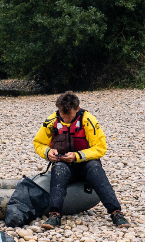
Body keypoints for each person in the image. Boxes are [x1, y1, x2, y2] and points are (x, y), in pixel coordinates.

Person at [32, 91, 129, 228]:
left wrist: (77, 156)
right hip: (64, 165)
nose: (65, 119)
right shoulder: (51, 121)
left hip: (86, 164)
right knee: (58, 169)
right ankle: (54, 215)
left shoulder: (88, 120)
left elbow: (100, 148)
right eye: (62, 114)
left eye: (68, 115)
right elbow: (38, 143)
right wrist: (48, 152)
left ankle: (116, 213)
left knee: (95, 168)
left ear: (77, 109)